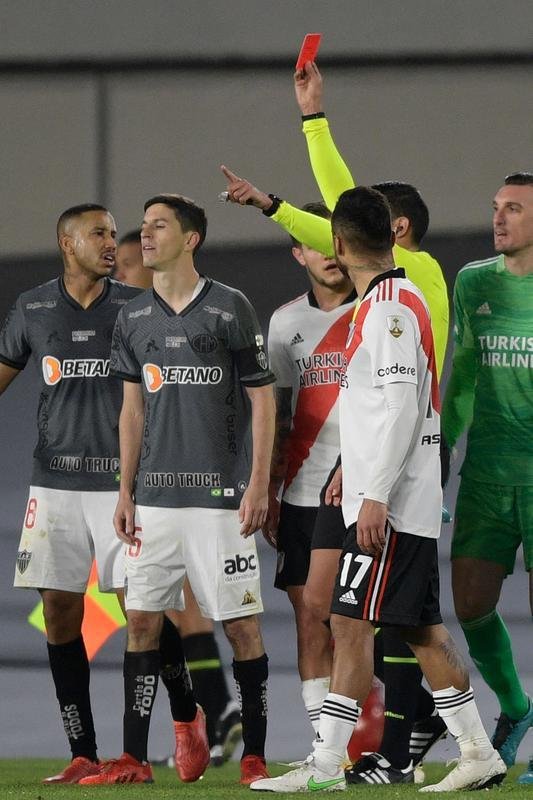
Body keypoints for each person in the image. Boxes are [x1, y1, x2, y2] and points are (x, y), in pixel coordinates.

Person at [249, 186, 506, 793]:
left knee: (348, 623)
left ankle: (324, 767)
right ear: (392, 236)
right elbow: (386, 411)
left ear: (337, 242)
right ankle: (477, 752)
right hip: (385, 493)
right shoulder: (393, 299)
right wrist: (353, 470)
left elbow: (398, 409)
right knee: (419, 629)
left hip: (385, 504)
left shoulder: (388, 306)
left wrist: (374, 494)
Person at [1, 204, 207, 784]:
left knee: (138, 611)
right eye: (100, 234)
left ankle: (187, 714)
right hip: (55, 484)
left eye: (116, 234)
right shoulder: (34, 308)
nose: (113, 243)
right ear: (68, 243)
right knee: (61, 613)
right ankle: (83, 753)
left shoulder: (136, 310)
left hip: (124, 488)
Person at [80, 194, 275, 786]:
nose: (144, 236)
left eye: (158, 226)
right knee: (140, 622)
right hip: (154, 503)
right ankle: (136, 757)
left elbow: (262, 398)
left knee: (241, 626)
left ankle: (254, 756)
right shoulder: (132, 319)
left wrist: (258, 483)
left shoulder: (230, 308)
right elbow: (131, 411)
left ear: (191, 238)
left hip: (220, 502)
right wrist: (124, 492)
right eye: (142, 227)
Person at [115, 228, 243, 765]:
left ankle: (208, 716)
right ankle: (210, 718)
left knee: (171, 611)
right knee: (150, 610)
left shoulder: (210, 315)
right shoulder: (129, 321)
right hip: (129, 486)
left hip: (172, 489)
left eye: (127, 263)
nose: (122, 272)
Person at [442, 172, 533, 784]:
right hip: (486, 475)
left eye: (515, 209)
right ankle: (518, 708)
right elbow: (465, 377)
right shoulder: (473, 281)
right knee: (471, 605)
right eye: (496, 207)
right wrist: (440, 452)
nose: (499, 219)